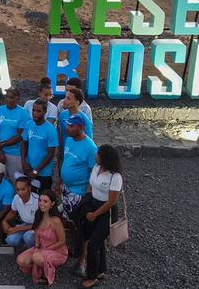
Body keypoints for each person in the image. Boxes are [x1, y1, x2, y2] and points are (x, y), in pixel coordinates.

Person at [72, 145, 123, 287]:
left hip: (106, 212)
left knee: (93, 244)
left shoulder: (115, 177)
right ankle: (101, 270)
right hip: (93, 205)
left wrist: (95, 214)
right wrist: (88, 207)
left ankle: (91, 276)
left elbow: (112, 201)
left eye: (98, 154)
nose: (95, 156)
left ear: (105, 158)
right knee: (98, 242)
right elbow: (91, 186)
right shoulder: (96, 168)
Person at [15, 190, 68, 285]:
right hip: (42, 248)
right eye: (40, 200)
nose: (41, 204)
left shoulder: (56, 221)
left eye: (45, 201)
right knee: (20, 260)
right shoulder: (38, 214)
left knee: (36, 257)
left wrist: (44, 250)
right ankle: (41, 268)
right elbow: (36, 232)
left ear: (52, 204)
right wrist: (36, 246)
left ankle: (49, 271)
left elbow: (62, 241)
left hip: (57, 250)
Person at [57, 114, 98, 220]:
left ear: (81, 127)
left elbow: (93, 171)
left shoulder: (90, 147)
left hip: (78, 191)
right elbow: (66, 161)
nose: (67, 128)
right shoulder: (69, 140)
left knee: (74, 219)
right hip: (66, 187)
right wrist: (61, 180)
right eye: (67, 125)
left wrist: (88, 195)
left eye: (71, 126)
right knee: (66, 215)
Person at [0, 88, 31, 183]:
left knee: (16, 182)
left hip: (15, 154)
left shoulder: (23, 113)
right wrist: (0, 151)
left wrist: (1, 145)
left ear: (17, 98)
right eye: (7, 97)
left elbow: (20, 135)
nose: (8, 99)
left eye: (11, 97)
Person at [22, 99, 59, 193]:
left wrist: (36, 171)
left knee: (43, 198)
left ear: (45, 112)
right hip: (29, 169)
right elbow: (24, 144)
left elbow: (51, 154)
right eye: (33, 110)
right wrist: (24, 162)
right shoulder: (28, 125)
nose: (35, 113)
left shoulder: (51, 130)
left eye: (38, 111)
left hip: (44, 173)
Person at [2, 177, 39, 251]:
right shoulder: (16, 198)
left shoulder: (37, 201)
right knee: (10, 240)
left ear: (29, 188)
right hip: (26, 224)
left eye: (23, 189)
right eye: (17, 190)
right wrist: (4, 221)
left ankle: (34, 249)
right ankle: (27, 246)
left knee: (28, 237)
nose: (20, 192)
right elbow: (12, 212)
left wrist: (16, 229)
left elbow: (38, 224)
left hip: (37, 226)